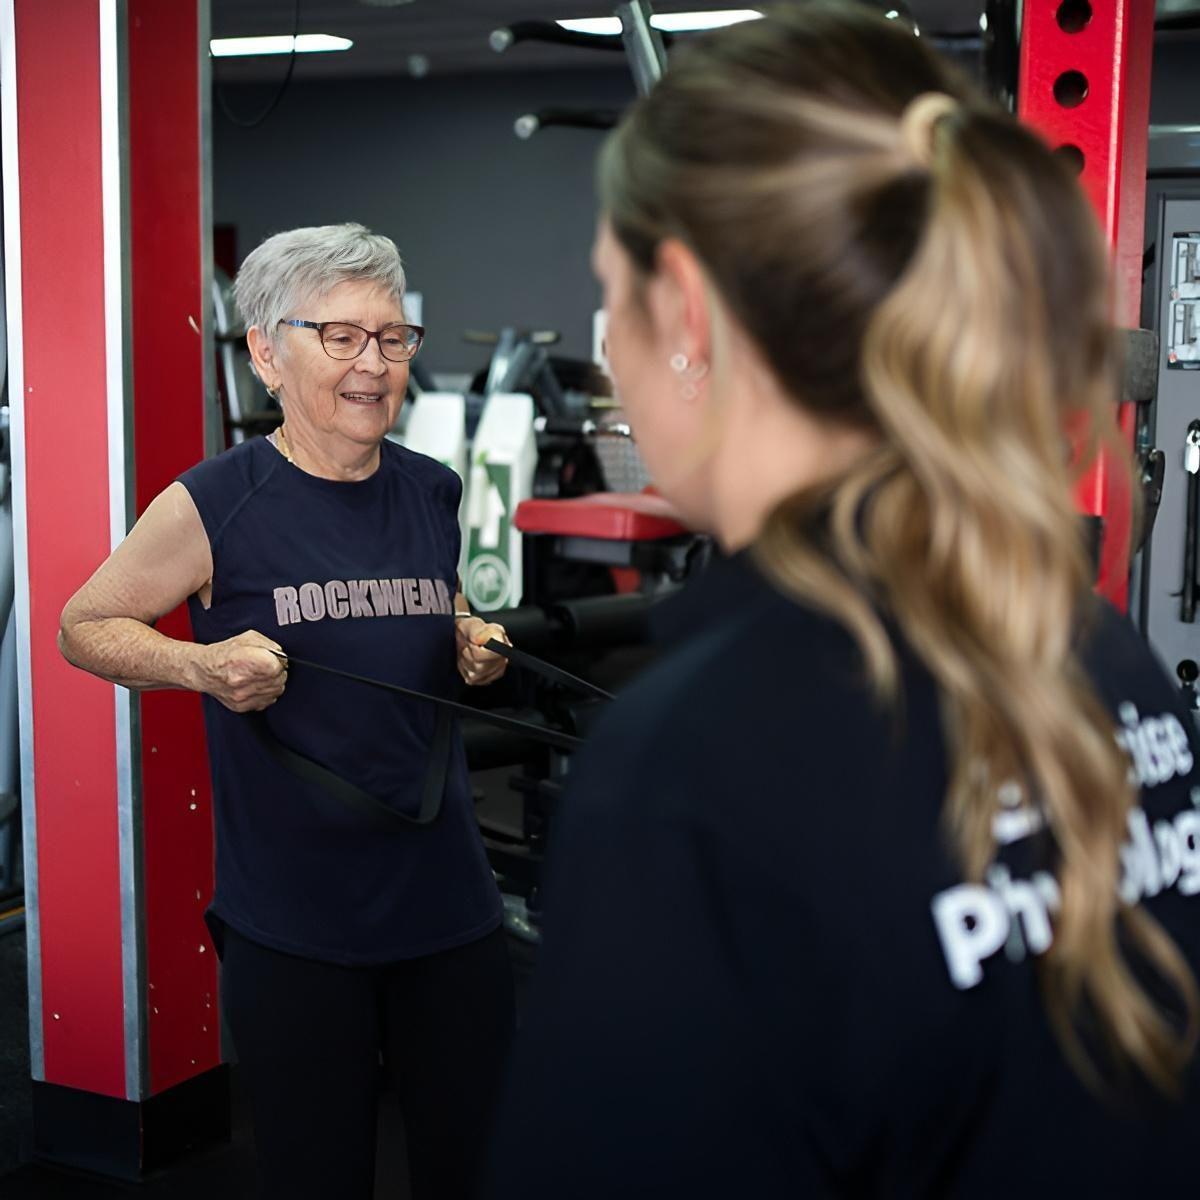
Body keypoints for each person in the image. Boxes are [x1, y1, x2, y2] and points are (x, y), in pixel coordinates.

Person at [486, 5, 1200, 1196]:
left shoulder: (694, 770)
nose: (607, 352)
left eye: (609, 299)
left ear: (691, 314)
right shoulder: (1091, 645)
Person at [59, 223, 515, 1200]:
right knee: (321, 1175)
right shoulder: (215, 504)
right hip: (300, 926)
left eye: (393, 339)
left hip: (450, 906)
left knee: (474, 1168)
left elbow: (438, 603)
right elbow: (83, 624)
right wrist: (199, 663)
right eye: (341, 337)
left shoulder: (432, 490)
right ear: (266, 350)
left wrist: (471, 638)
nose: (374, 365)